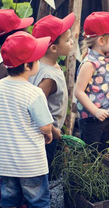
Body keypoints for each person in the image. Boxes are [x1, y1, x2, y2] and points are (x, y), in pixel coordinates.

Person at [0, 31, 54, 208]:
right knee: (39, 204)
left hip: (6, 164)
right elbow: (45, 125)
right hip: (32, 164)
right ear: (28, 65)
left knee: (8, 203)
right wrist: (49, 132)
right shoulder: (34, 92)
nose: (39, 62)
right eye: (37, 59)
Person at [0, 8, 34, 208]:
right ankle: (15, 199)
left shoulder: (1, 57)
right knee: (13, 158)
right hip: (6, 116)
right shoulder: (6, 62)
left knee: (6, 157)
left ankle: (4, 197)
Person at [74, 12, 109, 151]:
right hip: (92, 120)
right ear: (101, 41)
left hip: (106, 117)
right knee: (91, 156)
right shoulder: (90, 63)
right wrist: (96, 111)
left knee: (104, 153)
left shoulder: (104, 56)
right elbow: (78, 91)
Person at [29, 13, 75, 172]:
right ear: (53, 48)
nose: (72, 42)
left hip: (47, 132)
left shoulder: (43, 66)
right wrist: (53, 131)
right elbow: (36, 106)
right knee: (42, 172)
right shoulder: (48, 78)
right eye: (68, 39)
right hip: (46, 135)